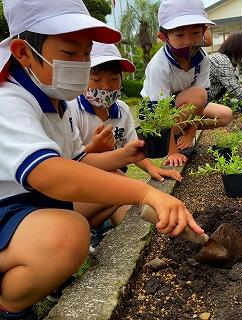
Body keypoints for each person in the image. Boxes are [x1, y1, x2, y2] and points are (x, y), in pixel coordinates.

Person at [0, 0, 203, 319]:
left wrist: (123, 155)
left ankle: (38, 265)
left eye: (86, 53)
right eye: (70, 53)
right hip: (9, 208)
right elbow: (48, 173)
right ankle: (10, 307)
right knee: (68, 235)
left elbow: (78, 163)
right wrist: (145, 192)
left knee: (115, 185)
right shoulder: (8, 100)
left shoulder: (56, 101)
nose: (81, 64)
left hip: (30, 206)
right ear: (24, 52)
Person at [69, 42, 183, 250]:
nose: (105, 87)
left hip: (111, 187)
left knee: (138, 223)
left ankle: (98, 229)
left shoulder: (121, 109)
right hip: (76, 193)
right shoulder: (72, 109)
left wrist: (152, 168)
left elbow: (133, 146)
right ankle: (82, 232)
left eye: (114, 79)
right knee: (118, 181)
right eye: (96, 79)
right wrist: (93, 147)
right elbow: (68, 163)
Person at [141, 0, 233, 167]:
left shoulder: (202, 59)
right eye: (179, 35)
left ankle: (182, 132)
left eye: (195, 33)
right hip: (155, 120)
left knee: (225, 114)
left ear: (204, 32)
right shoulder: (158, 66)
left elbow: (201, 104)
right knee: (197, 94)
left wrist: (190, 135)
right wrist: (172, 151)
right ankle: (170, 140)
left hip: (183, 110)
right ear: (163, 37)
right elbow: (160, 114)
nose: (189, 41)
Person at [208, 32, 242, 103]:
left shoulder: (226, 60)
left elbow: (235, 83)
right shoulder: (222, 61)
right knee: (227, 112)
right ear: (237, 49)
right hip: (201, 101)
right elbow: (233, 86)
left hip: (207, 99)